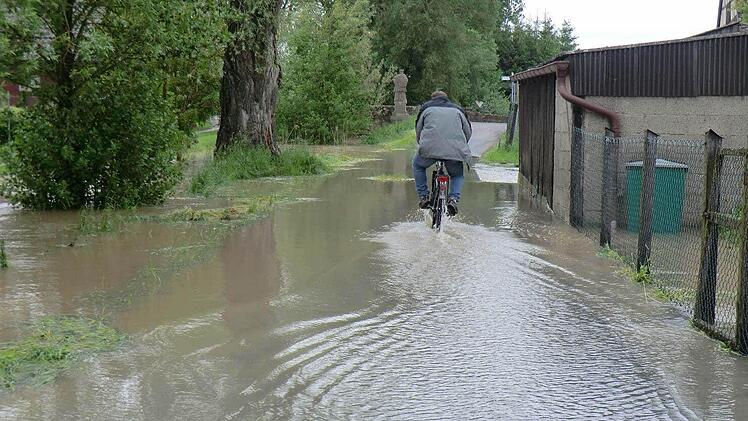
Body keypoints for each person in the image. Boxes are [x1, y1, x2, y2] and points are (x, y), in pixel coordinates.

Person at [413, 91, 473, 216]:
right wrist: (461, 145)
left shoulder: (426, 108)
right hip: (454, 150)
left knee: (418, 166)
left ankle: (424, 197)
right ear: (447, 99)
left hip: (429, 149)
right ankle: (453, 199)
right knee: (457, 175)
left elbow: (418, 130)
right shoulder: (458, 110)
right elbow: (468, 132)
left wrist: (422, 144)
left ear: (432, 99)